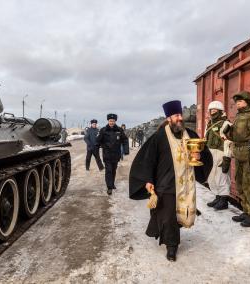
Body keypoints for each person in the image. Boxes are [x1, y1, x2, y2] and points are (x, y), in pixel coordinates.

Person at [129, 100, 212, 262]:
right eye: (176, 115)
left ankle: (172, 235)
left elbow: (204, 153)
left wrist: (199, 156)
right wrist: (147, 180)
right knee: (167, 216)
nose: (180, 118)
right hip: (165, 184)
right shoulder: (159, 137)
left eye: (180, 115)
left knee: (181, 214)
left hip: (186, 184)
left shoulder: (191, 135)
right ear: (169, 118)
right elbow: (147, 160)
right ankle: (171, 246)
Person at [224, 91, 250, 227]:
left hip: (249, 154)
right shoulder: (239, 116)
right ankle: (246, 210)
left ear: (247, 101)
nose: (237, 104)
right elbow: (235, 137)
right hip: (239, 153)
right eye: (237, 102)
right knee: (240, 183)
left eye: (240, 101)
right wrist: (227, 132)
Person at [204, 100, 231, 210]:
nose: (213, 112)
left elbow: (229, 142)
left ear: (220, 111)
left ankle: (224, 200)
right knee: (212, 176)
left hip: (221, 152)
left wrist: (227, 157)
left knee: (222, 176)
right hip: (210, 152)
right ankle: (218, 196)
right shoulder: (209, 124)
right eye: (211, 110)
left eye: (215, 110)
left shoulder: (226, 124)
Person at [97, 113, 128, 195]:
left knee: (114, 170)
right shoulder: (103, 130)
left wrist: (126, 150)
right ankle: (109, 187)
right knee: (109, 171)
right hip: (107, 154)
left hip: (116, 154)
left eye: (113, 121)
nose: (111, 122)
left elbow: (125, 140)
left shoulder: (119, 130)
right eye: (110, 121)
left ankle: (112, 183)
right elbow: (98, 140)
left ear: (115, 121)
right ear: (108, 121)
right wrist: (99, 146)